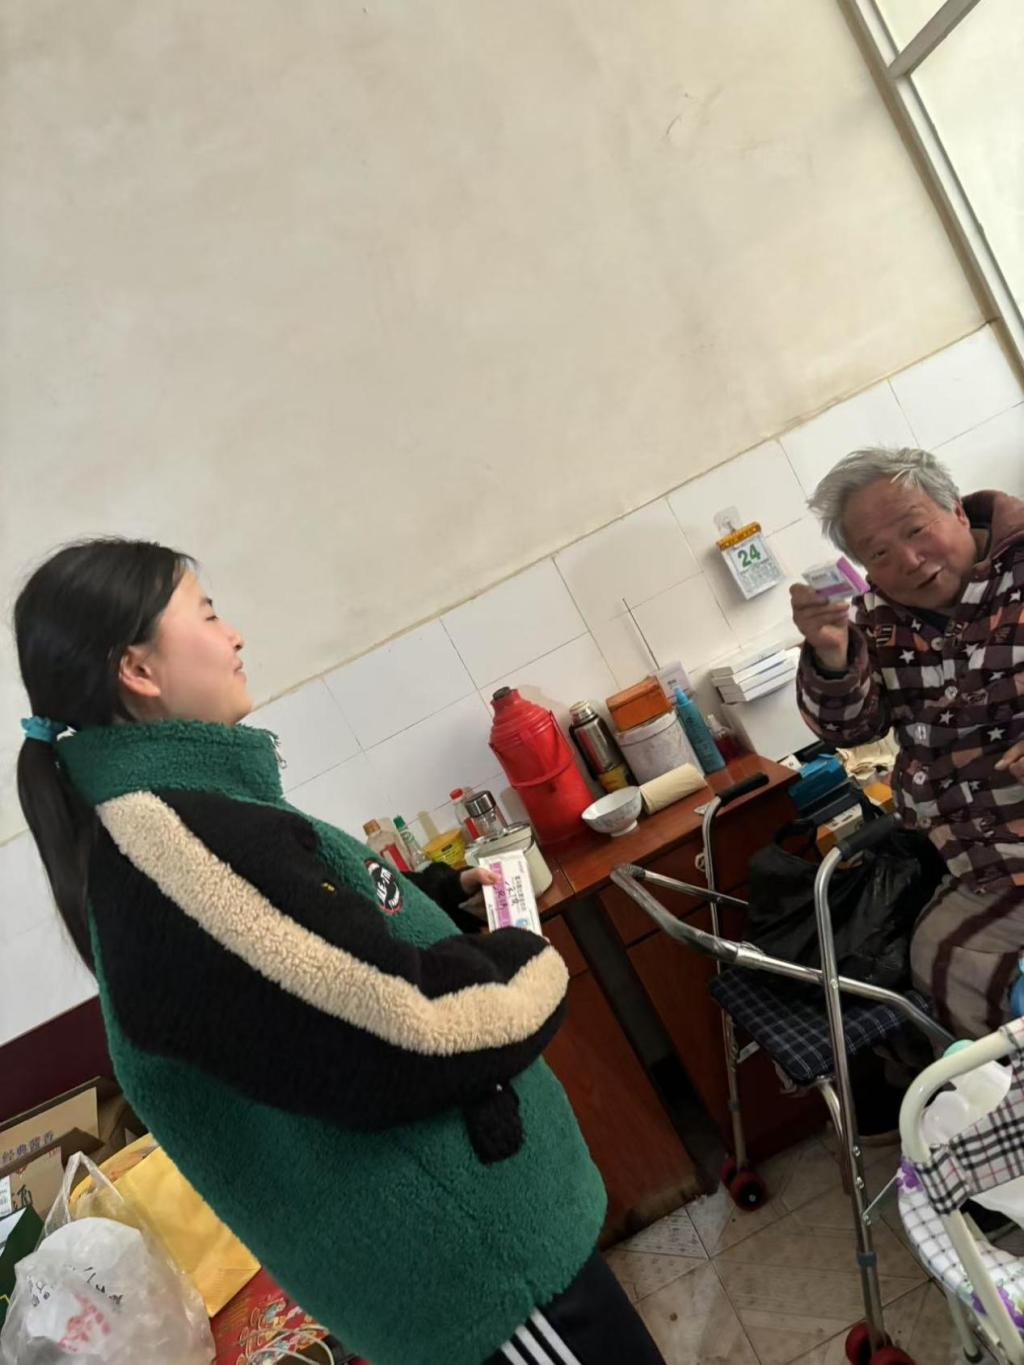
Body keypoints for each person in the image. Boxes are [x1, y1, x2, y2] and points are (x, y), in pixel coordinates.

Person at [14, 538, 667, 1365]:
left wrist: (433, 895)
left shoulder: (191, 812)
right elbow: (406, 1032)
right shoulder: (169, 844)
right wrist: (529, 961)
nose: (234, 636)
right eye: (207, 615)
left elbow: (309, 959)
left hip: (495, 1260)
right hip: (488, 1281)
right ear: (138, 669)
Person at [792, 447, 1024, 1040]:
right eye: (879, 553)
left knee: (957, 968)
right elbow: (851, 729)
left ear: (955, 508)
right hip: (982, 857)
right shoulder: (875, 624)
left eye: (916, 530)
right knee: (933, 962)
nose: (910, 561)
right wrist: (831, 655)